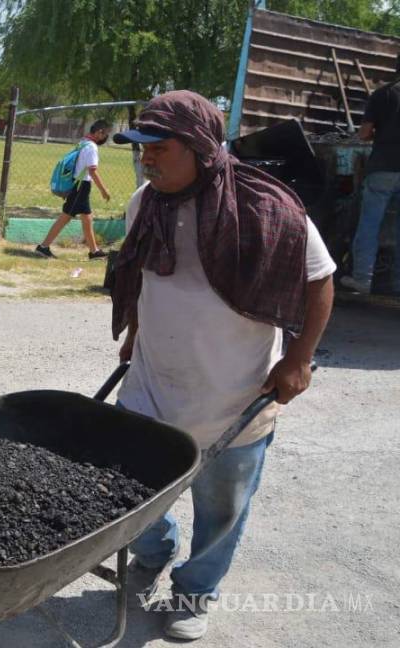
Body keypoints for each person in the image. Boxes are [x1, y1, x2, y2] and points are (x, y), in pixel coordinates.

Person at [110, 91, 335, 641]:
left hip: (234, 399)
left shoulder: (269, 207)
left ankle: (195, 593)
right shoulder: (145, 201)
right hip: (151, 387)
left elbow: (320, 279)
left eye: (159, 148)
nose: (147, 159)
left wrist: (299, 359)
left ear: (200, 147)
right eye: (142, 148)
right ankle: (153, 549)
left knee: (221, 512)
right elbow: (140, 272)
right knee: (130, 492)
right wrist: (135, 333)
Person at [344, 56, 400, 295]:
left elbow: (364, 134)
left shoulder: (383, 95)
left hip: (383, 168)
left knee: (369, 224)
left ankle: (362, 280)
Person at [36, 120, 113, 259]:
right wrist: (104, 190)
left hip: (78, 186)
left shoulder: (83, 142)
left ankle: (94, 251)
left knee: (87, 218)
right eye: (105, 134)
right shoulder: (92, 147)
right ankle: (43, 247)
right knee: (66, 218)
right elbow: (93, 171)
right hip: (80, 187)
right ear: (98, 132)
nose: (106, 137)